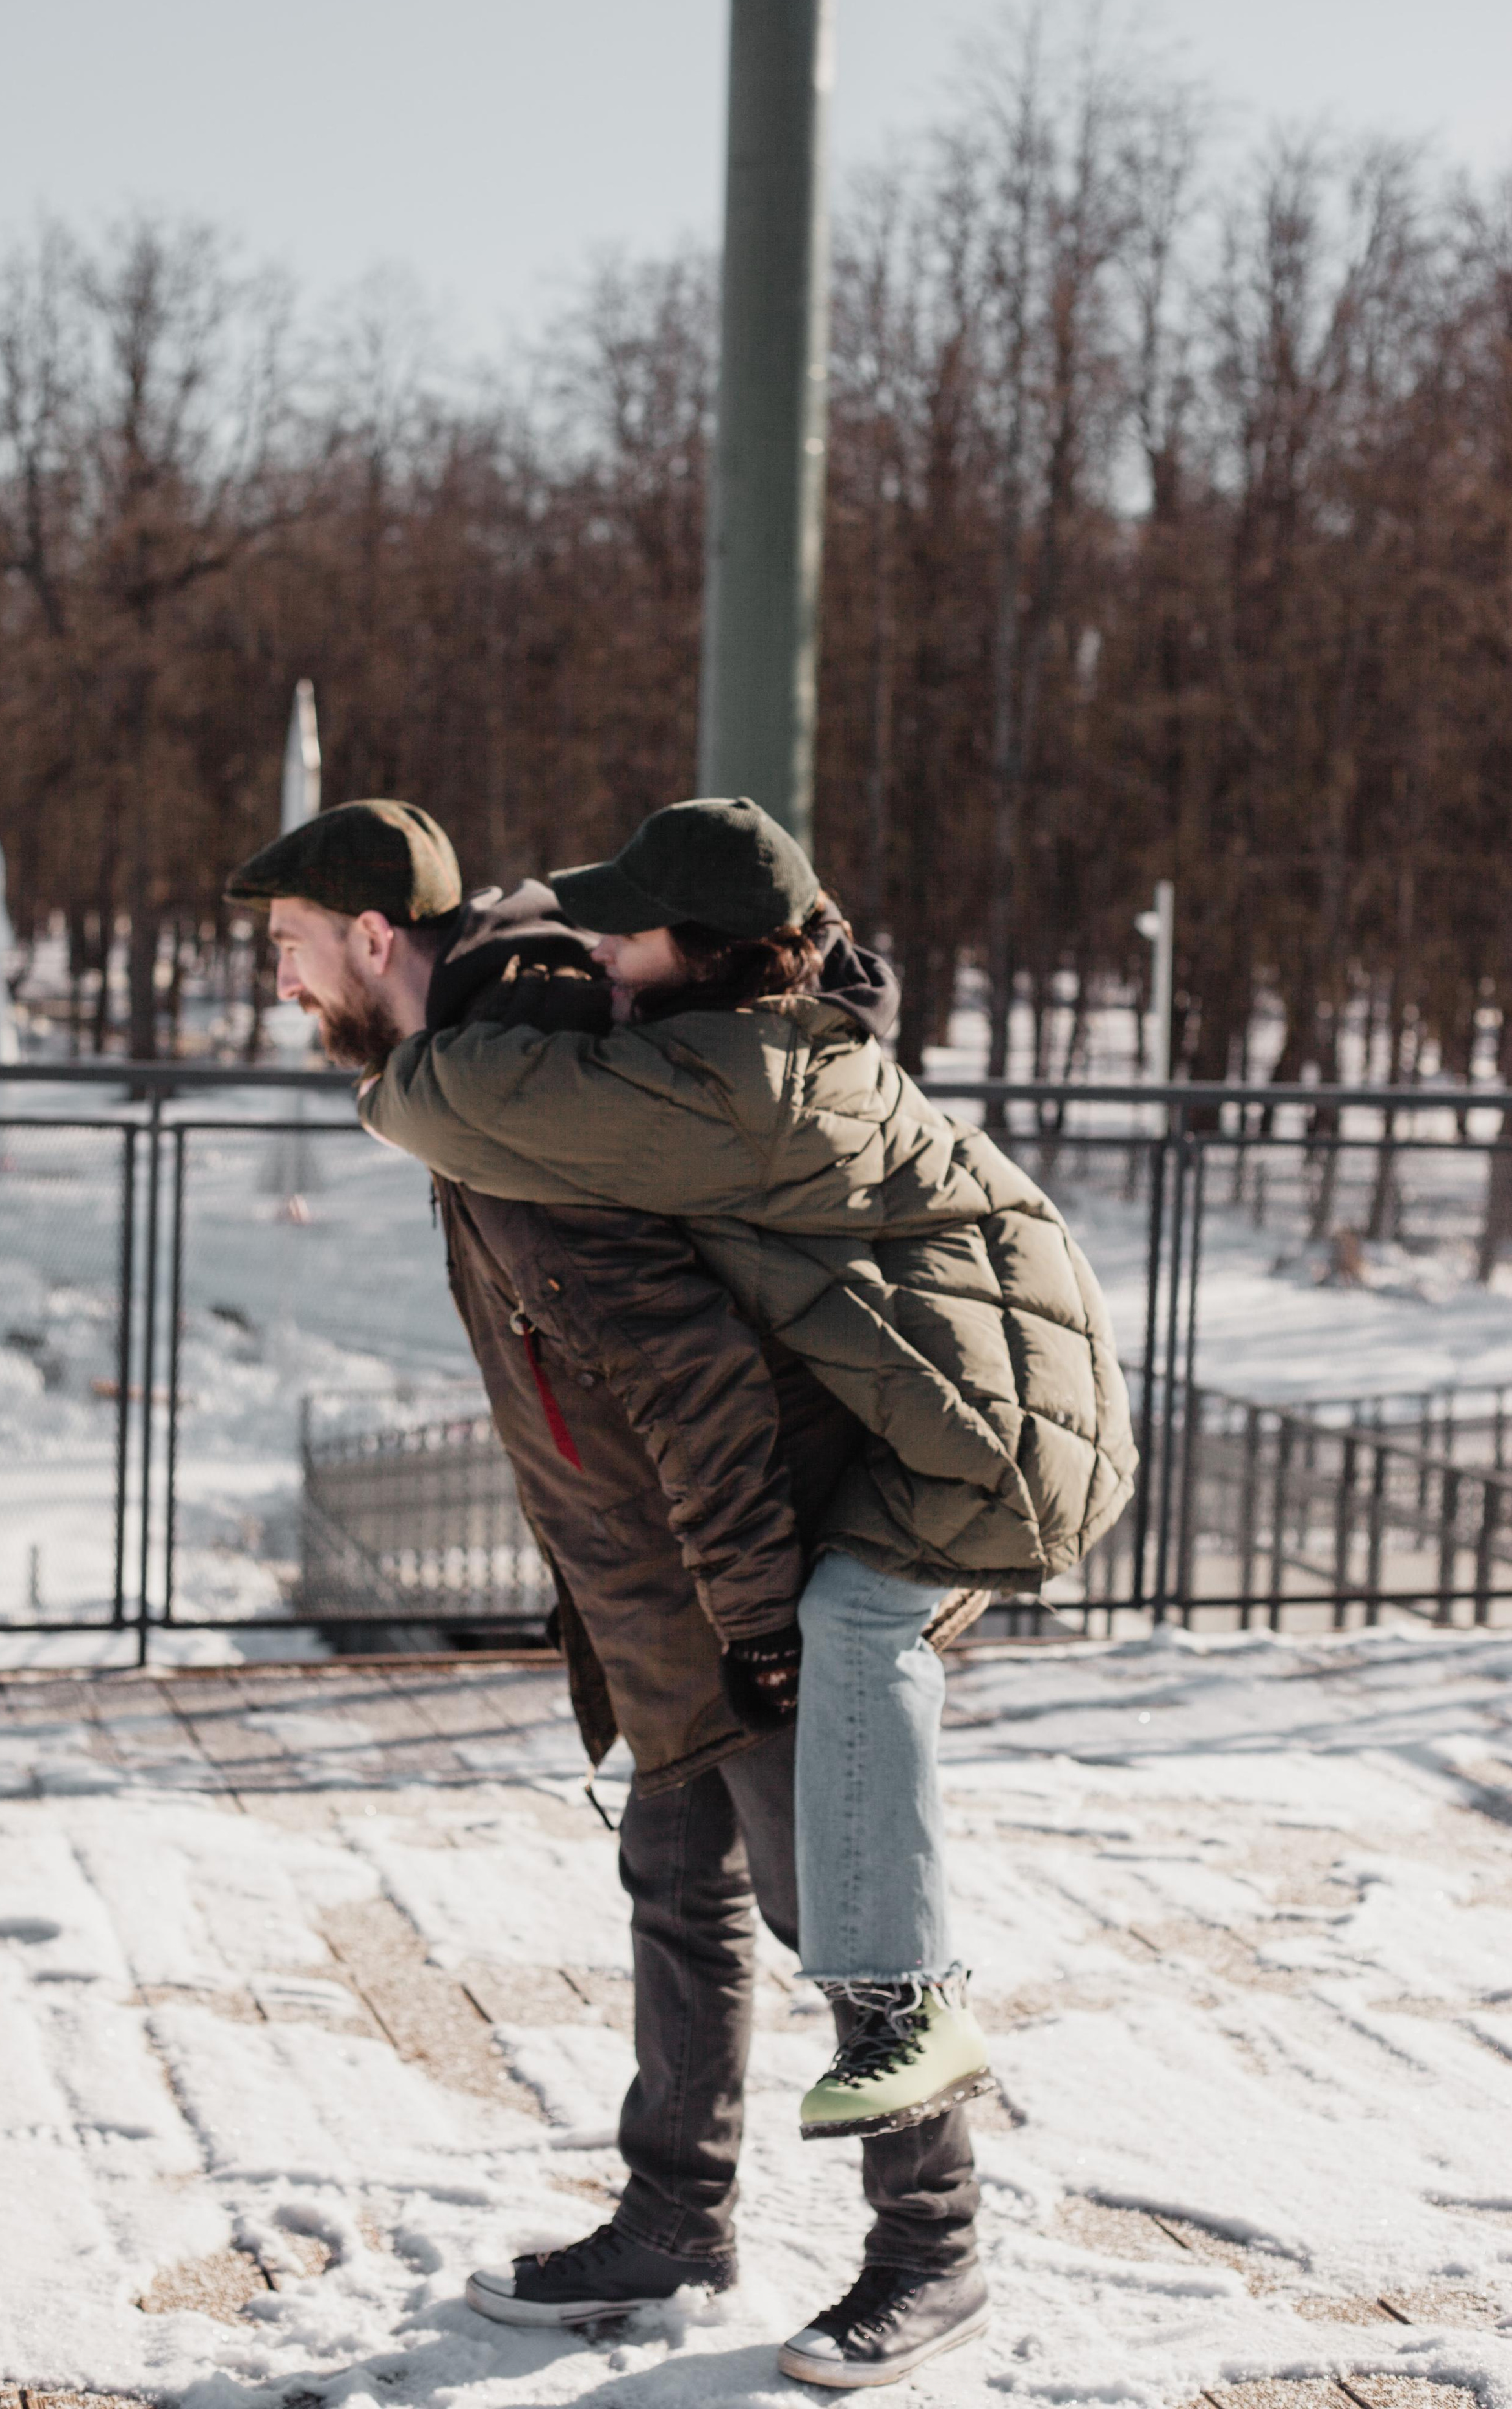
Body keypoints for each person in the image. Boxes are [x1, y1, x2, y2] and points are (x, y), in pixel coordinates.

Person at [226, 798, 992, 2389]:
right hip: (663, 1582)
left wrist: (758, 1622)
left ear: (371, 937)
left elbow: (692, 1381)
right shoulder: (492, 1075)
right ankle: (674, 2219)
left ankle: (933, 2248)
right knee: (677, 1886)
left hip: (740, 1572)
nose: (280, 983)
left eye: (291, 949)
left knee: (840, 1912)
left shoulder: (521, 1104)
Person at [355, 794, 1136, 2137]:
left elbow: (436, 1098)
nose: (598, 944)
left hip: (999, 1444)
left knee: (852, 1632)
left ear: (710, 948)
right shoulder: (754, 1040)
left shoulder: (734, 1090)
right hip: (978, 1397)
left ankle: (908, 2015)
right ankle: (766, 2150)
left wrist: (441, 1046)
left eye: (627, 927)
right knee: (804, 1698)